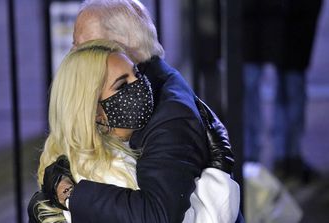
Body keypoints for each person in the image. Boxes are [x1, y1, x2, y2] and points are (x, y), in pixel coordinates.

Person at [30, 0, 242, 222]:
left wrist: (68, 197)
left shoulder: (167, 114)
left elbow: (158, 215)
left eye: (83, 45)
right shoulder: (110, 136)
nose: (74, 54)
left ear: (118, 47)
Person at [242, 0, 322, 180]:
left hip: (293, 17)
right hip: (253, 16)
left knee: (290, 84)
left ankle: (286, 158)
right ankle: (253, 160)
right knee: (251, 82)